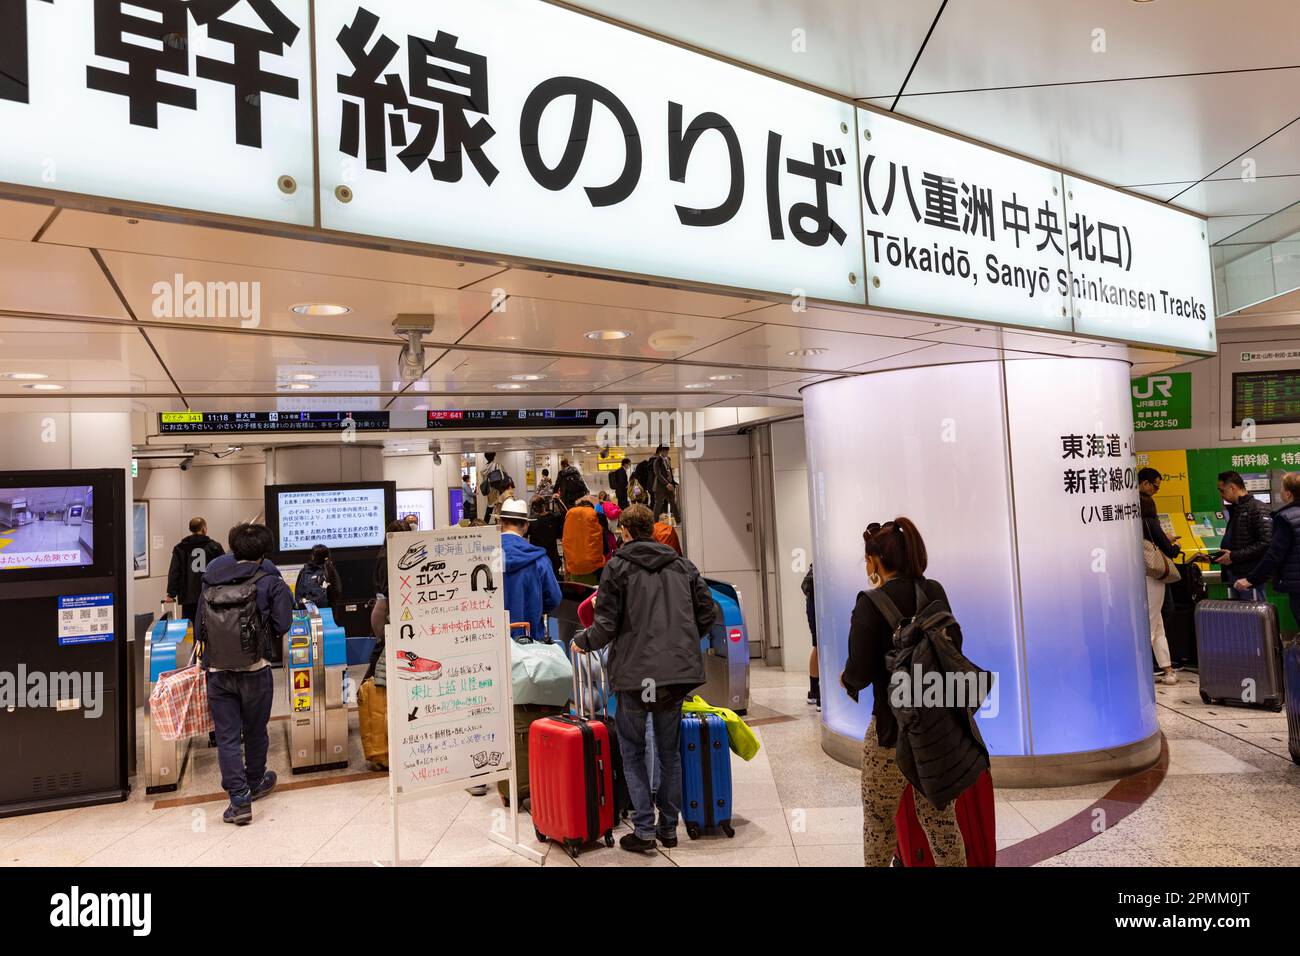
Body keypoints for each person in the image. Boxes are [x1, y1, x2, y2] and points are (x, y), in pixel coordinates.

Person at [572, 504, 716, 852]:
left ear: (624, 532)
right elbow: (708, 612)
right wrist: (682, 644)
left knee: (633, 752)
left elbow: (605, 625)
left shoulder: (617, 568)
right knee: (670, 754)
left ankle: (644, 831)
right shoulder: (682, 565)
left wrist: (582, 642)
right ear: (652, 529)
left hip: (636, 679)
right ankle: (669, 829)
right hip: (673, 677)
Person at [840, 518, 968, 867]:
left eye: (868, 558)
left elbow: (859, 673)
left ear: (878, 560)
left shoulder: (870, 602)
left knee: (879, 822)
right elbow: (953, 644)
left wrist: (845, 680)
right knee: (941, 822)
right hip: (939, 729)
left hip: (891, 734)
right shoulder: (935, 592)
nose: (866, 565)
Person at [195, 523, 293, 826]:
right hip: (257, 670)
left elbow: (199, 627)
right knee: (255, 731)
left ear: (233, 547)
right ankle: (254, 782)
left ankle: (239, 800)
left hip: (218, 672)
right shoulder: (271, 580)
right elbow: (282, 624)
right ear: (265, 551)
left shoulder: (210, 580)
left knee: (227, 737)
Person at [1233, 472, 1300, 627]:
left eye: (1282, 488)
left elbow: (1274, 554)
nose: (1280, 491)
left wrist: (1251, 579)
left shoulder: (1286, 518)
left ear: (1288, 494)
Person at [499, 498, 563, 643]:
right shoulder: (538, 559)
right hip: (529, 638)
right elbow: (554, 597)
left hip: (493, 640)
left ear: (500, 523)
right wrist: (536, 606)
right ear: (526, 526)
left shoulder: (484, 557)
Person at [1138, 468, 1180, 685]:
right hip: (1152, 577)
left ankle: (1167, 669)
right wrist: (1174, 542)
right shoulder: (1150, 521)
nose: (1156, 490)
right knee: (1151, 622)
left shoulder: (1131, 523)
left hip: (1138, 576)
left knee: (1158, 623)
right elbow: (1170, 552)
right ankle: (1141, 668)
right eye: (1155, 486)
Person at [1216, 470, 1273, 601]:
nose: (1221, 495)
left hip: (1249, 578)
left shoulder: (1257, 508)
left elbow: (1265, 543)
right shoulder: (1236, 510)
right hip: (1234, 574)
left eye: (1222, 490)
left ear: (1232, 487)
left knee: (1254, 619)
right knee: (1238, 619)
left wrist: (1233, 556)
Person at [165, 517, 225, 624]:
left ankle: (193, 641)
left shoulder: (180, 548)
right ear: (204, 529)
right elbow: (223, 568)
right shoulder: (214, 546)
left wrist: (171, 593)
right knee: (209, 625)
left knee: (190, 627)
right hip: (210, 594)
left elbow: (174, 571)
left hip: (188, 596)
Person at [562, 498, 606, 584]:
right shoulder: (595, 520)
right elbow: (605, 548)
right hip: (594, 570)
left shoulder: (569, 520)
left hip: (573, 569)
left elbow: (565, 545)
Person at [294, 544, 344, 611]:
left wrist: (302, 605)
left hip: (307, 611)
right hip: (327, 612)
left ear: (313, 556)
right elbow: (337, 592)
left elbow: (298, 593)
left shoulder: (305, 571)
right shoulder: (330, 570)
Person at [528, 494, 564, 579]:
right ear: (544, 505)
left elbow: (525, 534)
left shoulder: (531, 520)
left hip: (537, 558)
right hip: (552, 558)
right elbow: (565, 514)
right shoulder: (553, 518)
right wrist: (558, 501)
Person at [802, 564, 819, 709]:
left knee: (818, 646)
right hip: (817, 604)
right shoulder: (821, 571)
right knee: (820, 647)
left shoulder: (814, 570)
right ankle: (817, 693)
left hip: (813, 603)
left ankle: (815, 691)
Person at [651, 445, 680, 522]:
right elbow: (658, 474)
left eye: (667, 451)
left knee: (673, 503)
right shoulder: (657, 461)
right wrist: (667, 484)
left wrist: (673, 483)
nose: (666, 452)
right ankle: (655, 522)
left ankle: (678, 520)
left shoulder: (667, 460)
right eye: (664, 451)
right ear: (660, 451)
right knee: (658, 505)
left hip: (669, 486)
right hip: (660, 487)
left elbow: (669, 473)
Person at [480, 452, 512, 524]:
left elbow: (484, 478)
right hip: (497, 488)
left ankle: (485, 523)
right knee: (498, 507)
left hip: (490, 490)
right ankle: (498, 523)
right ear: (493, 457)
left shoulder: (484, 468)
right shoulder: (497, 465)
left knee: (490, 507)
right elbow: (504, 475)